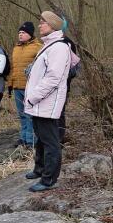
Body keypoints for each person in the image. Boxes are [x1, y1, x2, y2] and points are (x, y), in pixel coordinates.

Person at [25, 11, 78, 192]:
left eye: (43, 23)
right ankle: (40, 169)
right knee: (41, 138)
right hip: (39, 102)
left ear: (53, 25)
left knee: (50, 141)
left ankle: (49, 179)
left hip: (46, 101)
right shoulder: (49, 45)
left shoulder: (59, 47)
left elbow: (53, 78)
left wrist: (33, 96)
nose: (39, 25)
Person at [8, 22, 43, 148]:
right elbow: (14, 68)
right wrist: (10, 84)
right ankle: (23, 138)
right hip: (17, 86)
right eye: (19, 33)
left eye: (23, 33)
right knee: (21, 114)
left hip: (31, 87)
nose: (20, 35)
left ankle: (31, 140)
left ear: (30, 34)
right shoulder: (16, 48)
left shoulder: (38, 47)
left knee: (30, 115)